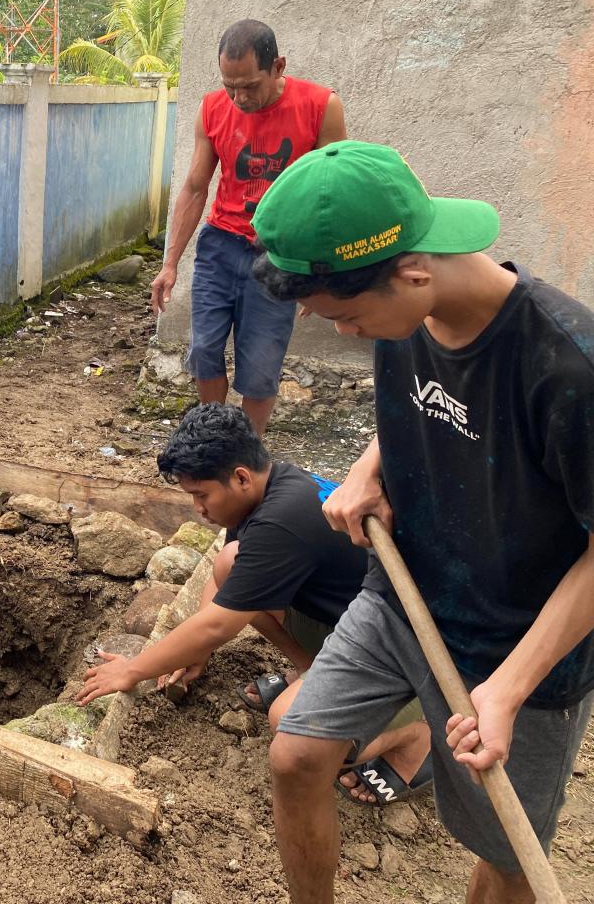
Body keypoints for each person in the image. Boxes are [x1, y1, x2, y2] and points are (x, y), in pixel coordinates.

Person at [250, 140, 594, 903]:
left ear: (413, 271)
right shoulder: (409, 313)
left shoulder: (568, 367)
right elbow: (425, 405)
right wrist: (373, 468)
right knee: (297, 756)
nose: (345, 335)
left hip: (521, 647)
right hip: (403, 592)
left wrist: (504, 690)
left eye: (345, 317)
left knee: (505, 856)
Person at [76, 403, 430, 806]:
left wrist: (134, 670)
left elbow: (218, 625)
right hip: (342, 617)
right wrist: (198, 651)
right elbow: (224, 592)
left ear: (240, 477)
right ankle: (308, 668)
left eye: (201, 494)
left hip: (399, 648)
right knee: (230, 563)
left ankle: (415, 735)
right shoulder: (269, 488)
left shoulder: (281, 522)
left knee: (291, 728)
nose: (198, 508)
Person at [150, 19, 346, 435]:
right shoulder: (211, 109)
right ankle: (214, 436)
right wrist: (169, 265)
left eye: (250, 86)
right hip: (220, 246)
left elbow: (334, 192)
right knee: (203, 349)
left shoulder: (320, 106)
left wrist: (322, 270)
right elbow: (195, 188)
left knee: (260, 364)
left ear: (278, 67)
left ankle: (249, 453)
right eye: (229, 86)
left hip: (280, 253)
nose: (238, 98)